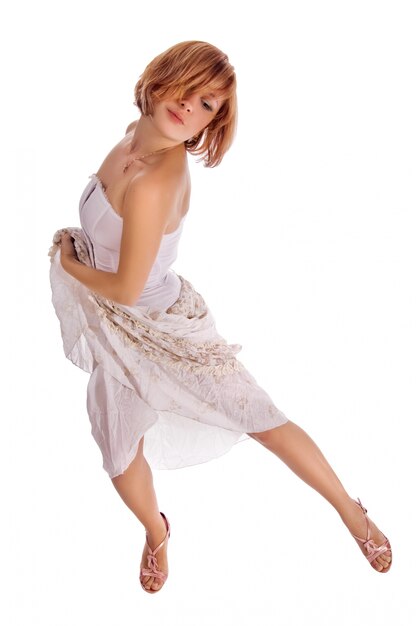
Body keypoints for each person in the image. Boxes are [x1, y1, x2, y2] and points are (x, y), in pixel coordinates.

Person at [49, 40, 392, 594]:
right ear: (163, 78)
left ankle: (352, 513)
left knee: (262, 420)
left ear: (212, 123)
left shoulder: (158, 179)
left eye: (209, 105)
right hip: (114, 329)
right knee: (117, 452)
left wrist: (69, 264)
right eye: (189, 88)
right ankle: (156, 529)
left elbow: (126, 285)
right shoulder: (134, 136)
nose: (191, 106)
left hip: (161, 326)